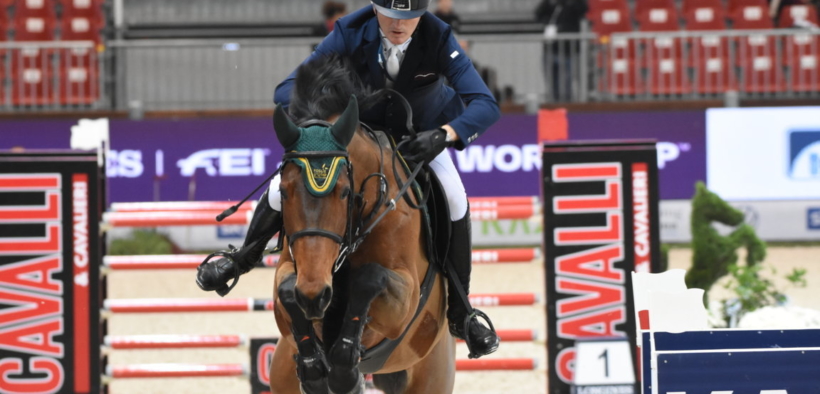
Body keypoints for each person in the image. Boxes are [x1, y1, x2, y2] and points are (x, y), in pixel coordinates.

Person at [196, 0, 501, 358]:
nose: (399, 25)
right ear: (374, 9)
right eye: (391, 15)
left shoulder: (438, 35)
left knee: (454, 197)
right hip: (357, 138)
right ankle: (242, 258)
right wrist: (321, 114)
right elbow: (289, 87)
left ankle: (462, 311)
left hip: (419, 137)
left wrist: (446, 134)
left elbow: (485, 103)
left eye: (409, 17)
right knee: (285, 188)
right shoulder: (348, 31)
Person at [535, 0, 588, 102]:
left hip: (568, 50)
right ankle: (552, 106)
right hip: (550, 49)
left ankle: (566, 106)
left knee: (566, 84)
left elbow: (583, 10)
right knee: (551, 82)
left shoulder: (574, 4)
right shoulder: (552, 5)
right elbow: (538, 14)